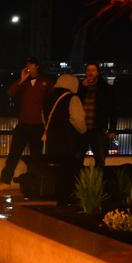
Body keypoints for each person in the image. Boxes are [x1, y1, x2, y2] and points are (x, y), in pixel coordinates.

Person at [0, 56, 53, 191]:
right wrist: (21, 80)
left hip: (38, 125)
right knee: (14, 153)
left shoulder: (45, 82)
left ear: (37, 66)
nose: (28, 67)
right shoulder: (24, 83)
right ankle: (5, 181)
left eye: (31, 65)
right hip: (23, 124)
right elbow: (10, 92)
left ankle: (37, 183)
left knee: (36, 156)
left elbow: (51, 99)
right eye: (27, 65)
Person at [42, 74, 86, 205]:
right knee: (69, 172)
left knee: (58, 171)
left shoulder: (48, 99)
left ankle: (58, 198)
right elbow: (79, 123)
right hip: (69, 143)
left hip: (52, 143)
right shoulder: (72, 98)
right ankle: (67, 200)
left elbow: (44, 119)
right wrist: (84, 131)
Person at [77, 62, 117, 167]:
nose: (90, 73)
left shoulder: (106, 89)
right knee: (78, 157)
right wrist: (82, 88)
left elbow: (113, 110)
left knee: (100, 159)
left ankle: (99, 181)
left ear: (98, 73)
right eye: (88, 70)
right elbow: (75, 103)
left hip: (98, 129)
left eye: (93, 70)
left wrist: (112, 129)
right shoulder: (81, 87)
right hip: (82, 129)